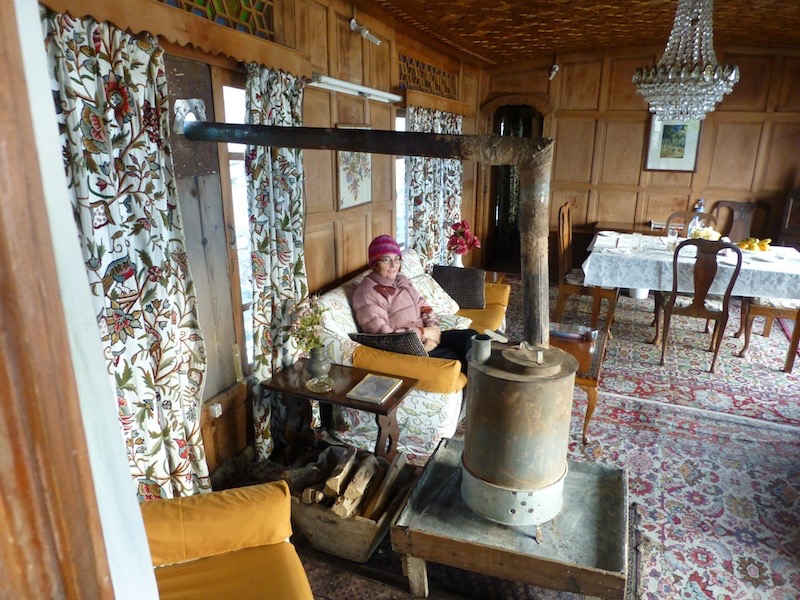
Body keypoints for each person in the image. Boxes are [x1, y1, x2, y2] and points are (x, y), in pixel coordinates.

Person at [351, 235, 477, 372]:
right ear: (374, 263)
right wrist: (423, 333)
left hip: (424, 339)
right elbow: (384, 337)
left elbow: (424, 307)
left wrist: (433, 334)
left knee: (472, 338)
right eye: (386, 260)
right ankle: (475, 390)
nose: (394, 265)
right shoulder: (367, 293)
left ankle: (482, 386)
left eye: (397, 259)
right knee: (456, 359)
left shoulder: (401, 279)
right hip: (407, 350)